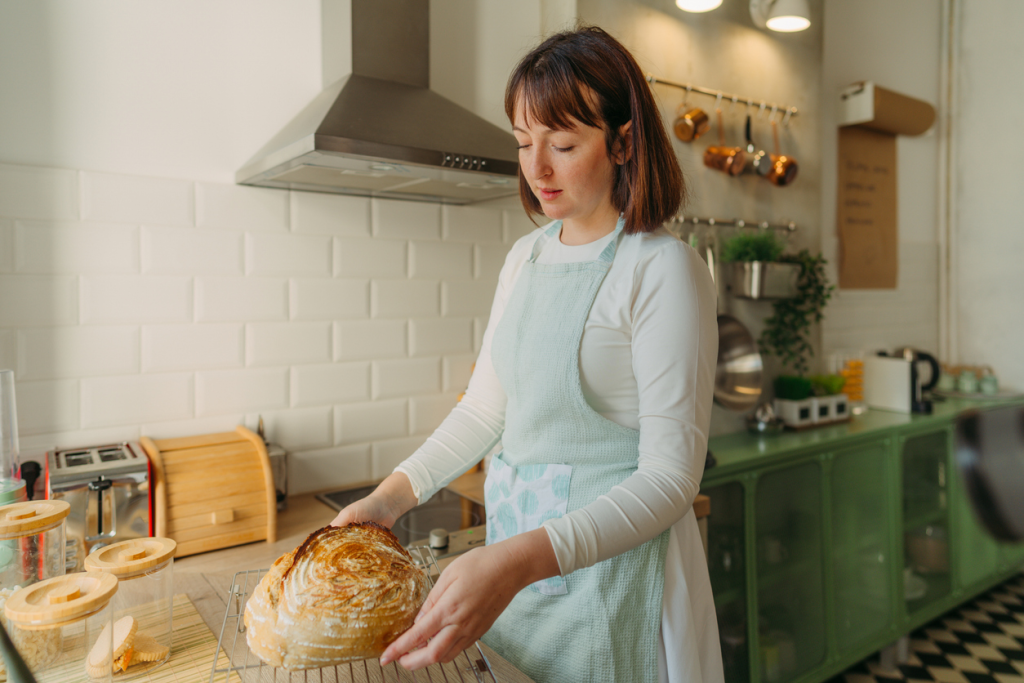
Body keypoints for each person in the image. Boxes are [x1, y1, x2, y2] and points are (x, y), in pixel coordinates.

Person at [331, 25, 722, 683]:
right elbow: (485, 410)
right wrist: (389, 499)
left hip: (614, 584)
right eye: (523, 142)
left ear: (624, 140)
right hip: (526, 587)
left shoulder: (662, 269)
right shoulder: (526, 257)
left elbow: (670, 479)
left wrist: (517, 560)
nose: (536, 167)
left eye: (563, 144)